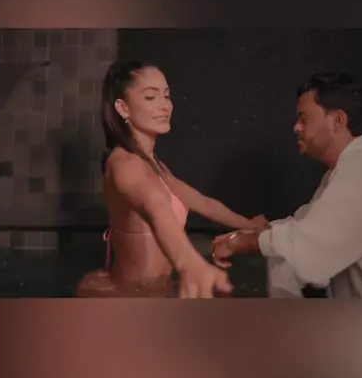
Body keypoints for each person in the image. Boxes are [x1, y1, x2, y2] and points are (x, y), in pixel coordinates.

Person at [212, 72, 362, 298]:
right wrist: (247, 234)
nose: (296, 127)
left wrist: (242, 242)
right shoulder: (357, 166)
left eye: (304, 119)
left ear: (337, 120)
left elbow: (307, 245)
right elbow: (302, 226)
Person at [77, 59, 267, 298]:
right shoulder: (125, 164)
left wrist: (250, 226)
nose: (164, 105)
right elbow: (156, 206)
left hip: (157, 291)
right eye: (150, 97)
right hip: (133, 297)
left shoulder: (156, 165)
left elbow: (203, 203)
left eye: (166, 96)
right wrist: (190, 264)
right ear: (123, 108)